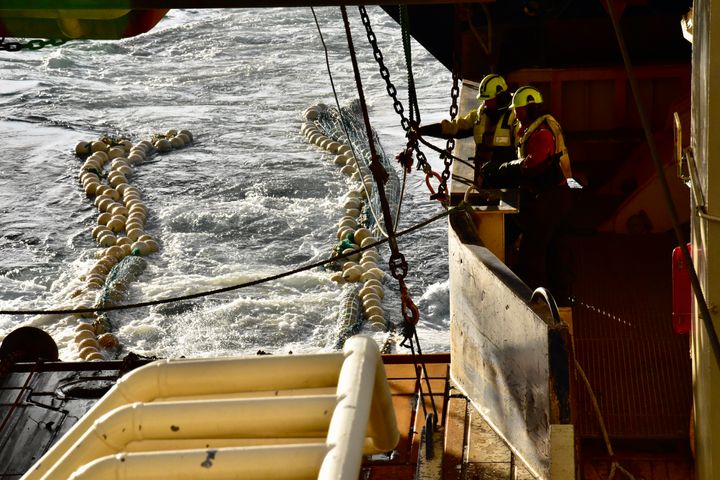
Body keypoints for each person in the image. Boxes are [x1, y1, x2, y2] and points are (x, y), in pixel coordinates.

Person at [485, 85, 579, 297]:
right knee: (556, 250)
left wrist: (500, 169)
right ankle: (561, 296)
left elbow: (532, 165)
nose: (516, 115)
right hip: (556, 196)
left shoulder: (542, 134)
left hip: (552, 199)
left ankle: (537, 301)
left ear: (530, 110)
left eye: (519, 111)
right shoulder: (538, 127)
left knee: (533, 253)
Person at [416, 74, 516, 187]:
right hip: (485, 178)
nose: (486, 103)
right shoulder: (479, 116)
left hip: (509, 179)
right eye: (484, 100)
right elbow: (455, 128)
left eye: (489, 99)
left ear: (501, 97)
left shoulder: (515, 118)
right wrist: (422, 131)